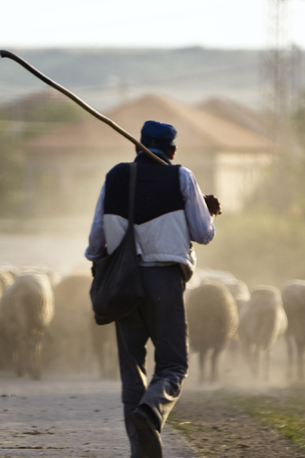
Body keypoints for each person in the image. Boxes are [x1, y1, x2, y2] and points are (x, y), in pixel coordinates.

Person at [85, 121, 219, 458]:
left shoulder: (115, 176)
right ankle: (152, 409)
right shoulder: (182, 176)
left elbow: (96, 241)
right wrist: (209, 211)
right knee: (173, 366)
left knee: (132, 369)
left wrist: (103, 264)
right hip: (165, 281)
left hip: (123, 283)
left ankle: (140, 451)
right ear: (173, 150)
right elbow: (203, 233)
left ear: (138, 146)